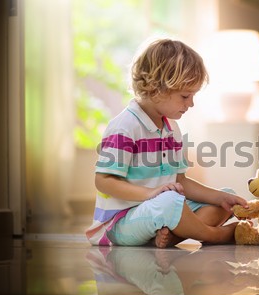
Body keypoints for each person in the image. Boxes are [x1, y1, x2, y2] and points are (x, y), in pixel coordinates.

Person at [85, 38, 248, 248]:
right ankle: (216, 236)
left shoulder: (171, 128)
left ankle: (173, 236)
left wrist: (220, 197)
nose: (191, 103)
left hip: (158, 210)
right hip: (120, 223)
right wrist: (150, 194)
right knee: (169, 202)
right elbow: (104, 181)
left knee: (226, 199)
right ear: (157, 88)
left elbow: (182, 182)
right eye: (185, 96)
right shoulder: (124, 127)